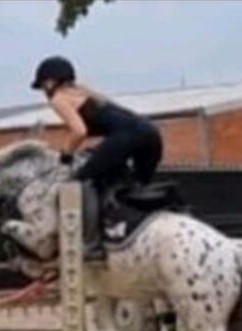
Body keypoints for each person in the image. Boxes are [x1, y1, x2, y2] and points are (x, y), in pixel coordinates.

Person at [31, 56, 164, 259]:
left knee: (81, 182)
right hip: (150, 135)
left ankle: (91, 244)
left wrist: (65, 154)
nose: (44, 90)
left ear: (51, 82)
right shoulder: (84, 92)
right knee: (132, 185)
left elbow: (79, 131)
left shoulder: (59, 98)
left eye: (43, 85)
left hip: (128, 137)